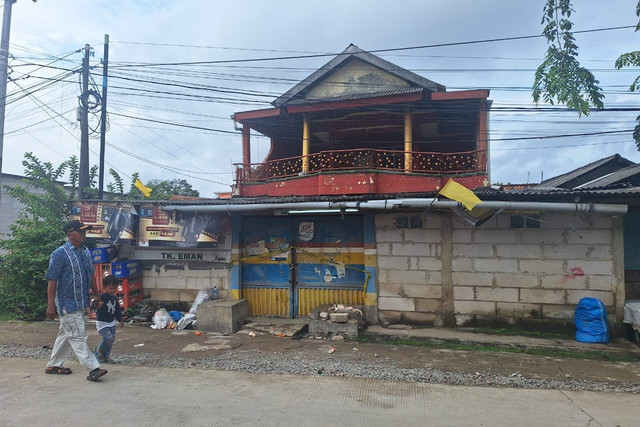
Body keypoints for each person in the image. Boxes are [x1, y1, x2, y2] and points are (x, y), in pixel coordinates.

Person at [45, 220, 108, 382]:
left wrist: (97, 295)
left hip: (81, 302)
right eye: (80, 232)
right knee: (78, 336)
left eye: (84, 232)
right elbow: (52, 280)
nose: (83, 234)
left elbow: (91, 276)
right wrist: (51, 304)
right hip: (67, 303)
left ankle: (53, 365)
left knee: (66, 334)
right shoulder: (60, 254)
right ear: (69, 234)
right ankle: (93, 368)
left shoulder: (85, 252)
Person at [93, 275, 124, 363]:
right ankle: (98, 350)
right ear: (104, 287)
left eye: (115, 288)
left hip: (111, 323)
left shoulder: (114, 298)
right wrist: (97, 304)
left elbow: (117, 310)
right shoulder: (101, 297)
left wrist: (120, 319)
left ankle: (106, 356)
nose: (113, 290)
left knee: (111, 340)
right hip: (102, 323)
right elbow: (94, 303)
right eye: (111, 288)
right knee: (107, 338)